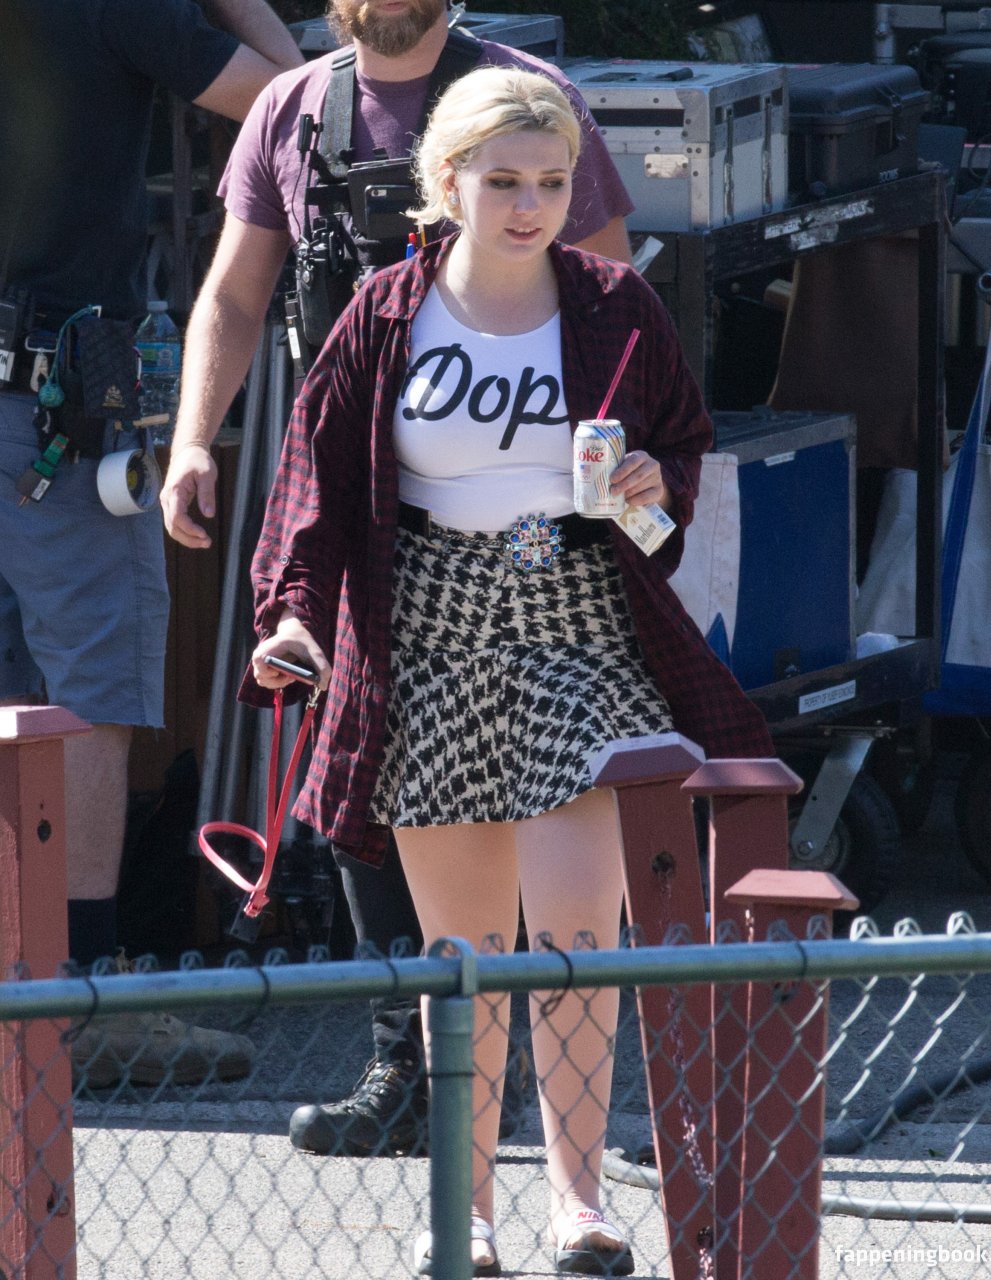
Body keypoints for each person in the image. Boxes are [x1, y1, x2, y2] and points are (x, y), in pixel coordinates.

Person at [244, 65, 773, 1277]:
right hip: (424, 627)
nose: (529, 206)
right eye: (502, 182)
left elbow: (679, 450)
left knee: (577, 927)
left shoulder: (615, 305)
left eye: (548, 182)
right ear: (446, 183)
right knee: (466, 952)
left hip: (573, 616)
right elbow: (315, 482)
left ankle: (578, 1203)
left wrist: (650, 483)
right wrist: (294, 619)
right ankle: (466, 1210)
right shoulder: (384, 311)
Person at [161, 0, 636, 1157]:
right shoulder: (289, 109)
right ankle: (412, 1068)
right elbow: (233, 295)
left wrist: (608, 495)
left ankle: (546, 1106)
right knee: (364, 773)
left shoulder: (527, 100)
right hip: (358, 505)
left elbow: (612, 300)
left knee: (543, 784)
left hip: (518, 523)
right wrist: (190, 442)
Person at [0, 0, 303, 1088]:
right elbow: (295, 100)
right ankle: (75, 999)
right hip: (51, 390)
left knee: (18, 687)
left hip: (40, 379)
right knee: (90, 684)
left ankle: (22, 985)